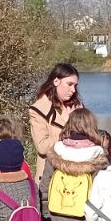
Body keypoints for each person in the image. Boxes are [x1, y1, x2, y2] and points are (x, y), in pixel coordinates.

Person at [29, 63, 83, 196]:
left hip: (77, 176)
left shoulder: (77, 107)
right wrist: (67, 125)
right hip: (50, 177)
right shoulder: (38, 110)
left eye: (75, 85)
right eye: (69, 84)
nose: (73, 90)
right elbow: (42, 147)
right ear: (56, 81)